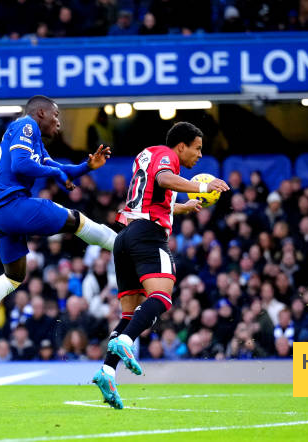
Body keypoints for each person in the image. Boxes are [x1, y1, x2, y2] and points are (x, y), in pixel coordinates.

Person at [0, 95, 117, 361]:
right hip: (11, 205)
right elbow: (21, 165)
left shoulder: (33, 140)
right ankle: (123, 245)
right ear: (40, 113)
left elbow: (56, 167)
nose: (58, 122)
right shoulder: (27, 126)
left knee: (14, 277)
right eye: (56, 116)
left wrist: (86, 167)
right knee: (74, 219)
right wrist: (58, 176)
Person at [92, 122, 229, 409]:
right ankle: (126, 341)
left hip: (125, 237)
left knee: (132, 313)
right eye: (198, 148)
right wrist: (203, 185)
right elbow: (166, 179)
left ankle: (106, 370)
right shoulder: (167, 155)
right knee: (162, 297)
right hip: (148, 234)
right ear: (181, 146)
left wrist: (183, 206)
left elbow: (153, 195)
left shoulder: (148, 156)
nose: (200, 156)